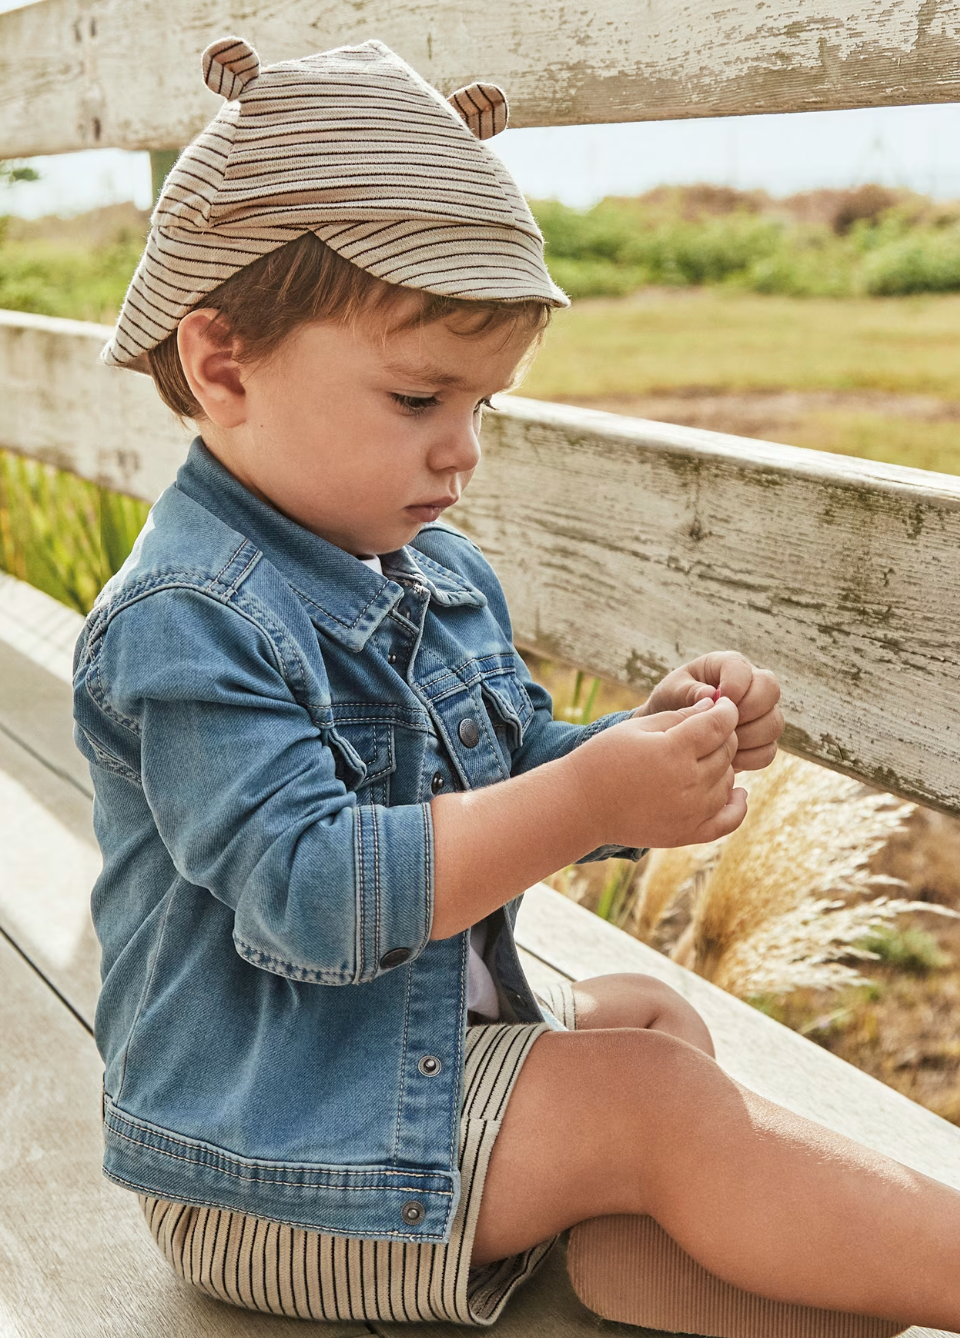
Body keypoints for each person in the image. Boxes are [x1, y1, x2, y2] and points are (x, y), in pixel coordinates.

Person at [73, 34, 960, 1333]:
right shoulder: (185, 623)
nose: (463, 450)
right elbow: (318, 895)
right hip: (275, 1161)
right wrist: (585, 790)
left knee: (651, 1030)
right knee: (652, 1106)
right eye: (422, 394)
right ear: (222, 366)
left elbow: (511, 765)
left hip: (400, 1090)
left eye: (484, 403)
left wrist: (634, 756)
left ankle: (621, 1286)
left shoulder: (422, 564)